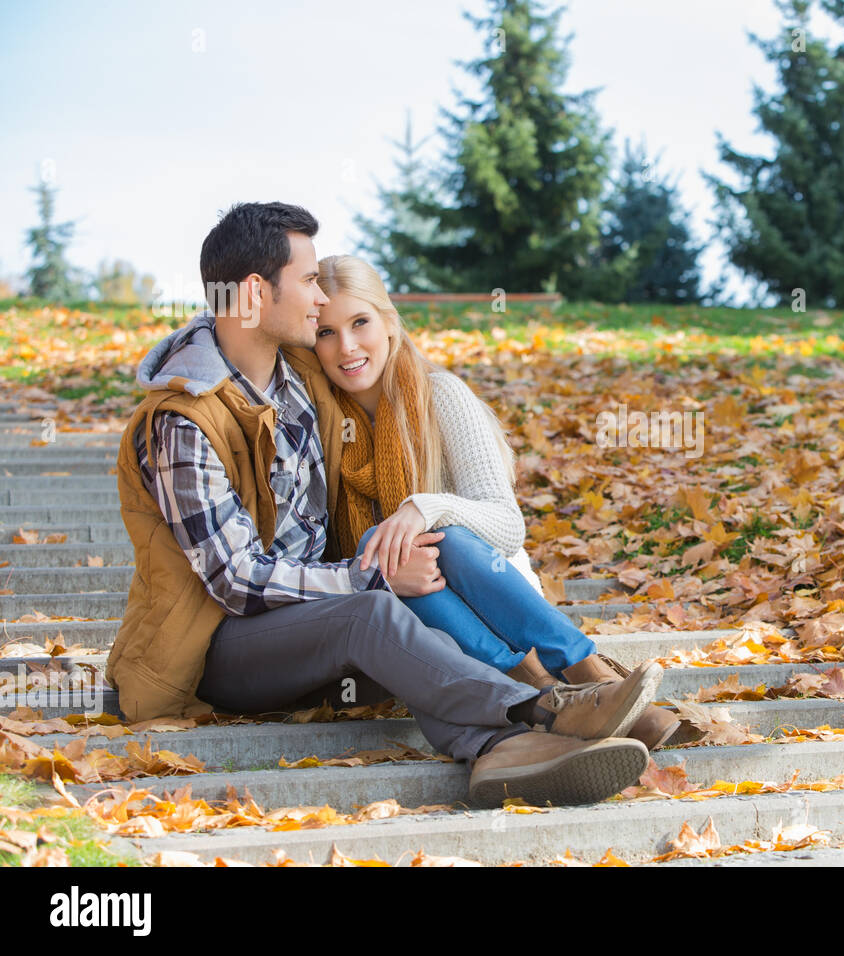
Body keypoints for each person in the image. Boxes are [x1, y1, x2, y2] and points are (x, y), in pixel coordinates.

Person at [106, 201, 660, 808]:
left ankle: (499, 751)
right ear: (258, 292)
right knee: (369, 603)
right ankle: (544, 708)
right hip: (220, 647)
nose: (321, 300)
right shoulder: (184, 422)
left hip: (318, 631)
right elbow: (235, 581)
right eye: (310, 280)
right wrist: (369, 572)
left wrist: (411, 531)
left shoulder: (299, 379)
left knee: (421, 552)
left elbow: (381, 374)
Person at [294, 254, 680, 750]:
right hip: (403, 611)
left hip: (495, 589)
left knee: (441, 535)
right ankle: (559, 696)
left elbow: (506, 525)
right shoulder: (316, 422)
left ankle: (585, 675)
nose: (346, 346)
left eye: (360, 322)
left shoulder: (440, 395)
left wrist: (423, 507)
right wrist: (384, 571)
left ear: (389, 322)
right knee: (381, 544)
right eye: (326, 332)